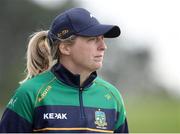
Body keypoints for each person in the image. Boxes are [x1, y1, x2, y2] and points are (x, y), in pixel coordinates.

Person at [0, 8, 128, 133]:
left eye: (102, 39)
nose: (103, 46)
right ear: (65, 48)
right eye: (93, 39)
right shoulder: (30, 94)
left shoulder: (112, 97)